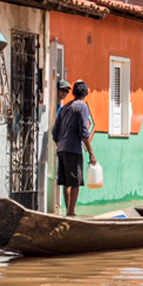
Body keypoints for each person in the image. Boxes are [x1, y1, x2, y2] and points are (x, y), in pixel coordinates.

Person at [53, 80, 96, 217]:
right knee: (76, 182)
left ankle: (67, 211)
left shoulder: (65, 107)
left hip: (62, 148)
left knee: (66, 182)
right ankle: (71, 212)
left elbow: (55, 131)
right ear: (85, 93)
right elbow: (84, 131)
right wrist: (92, 153)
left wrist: (60, 144)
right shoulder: (82, 107)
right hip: (73, 148)